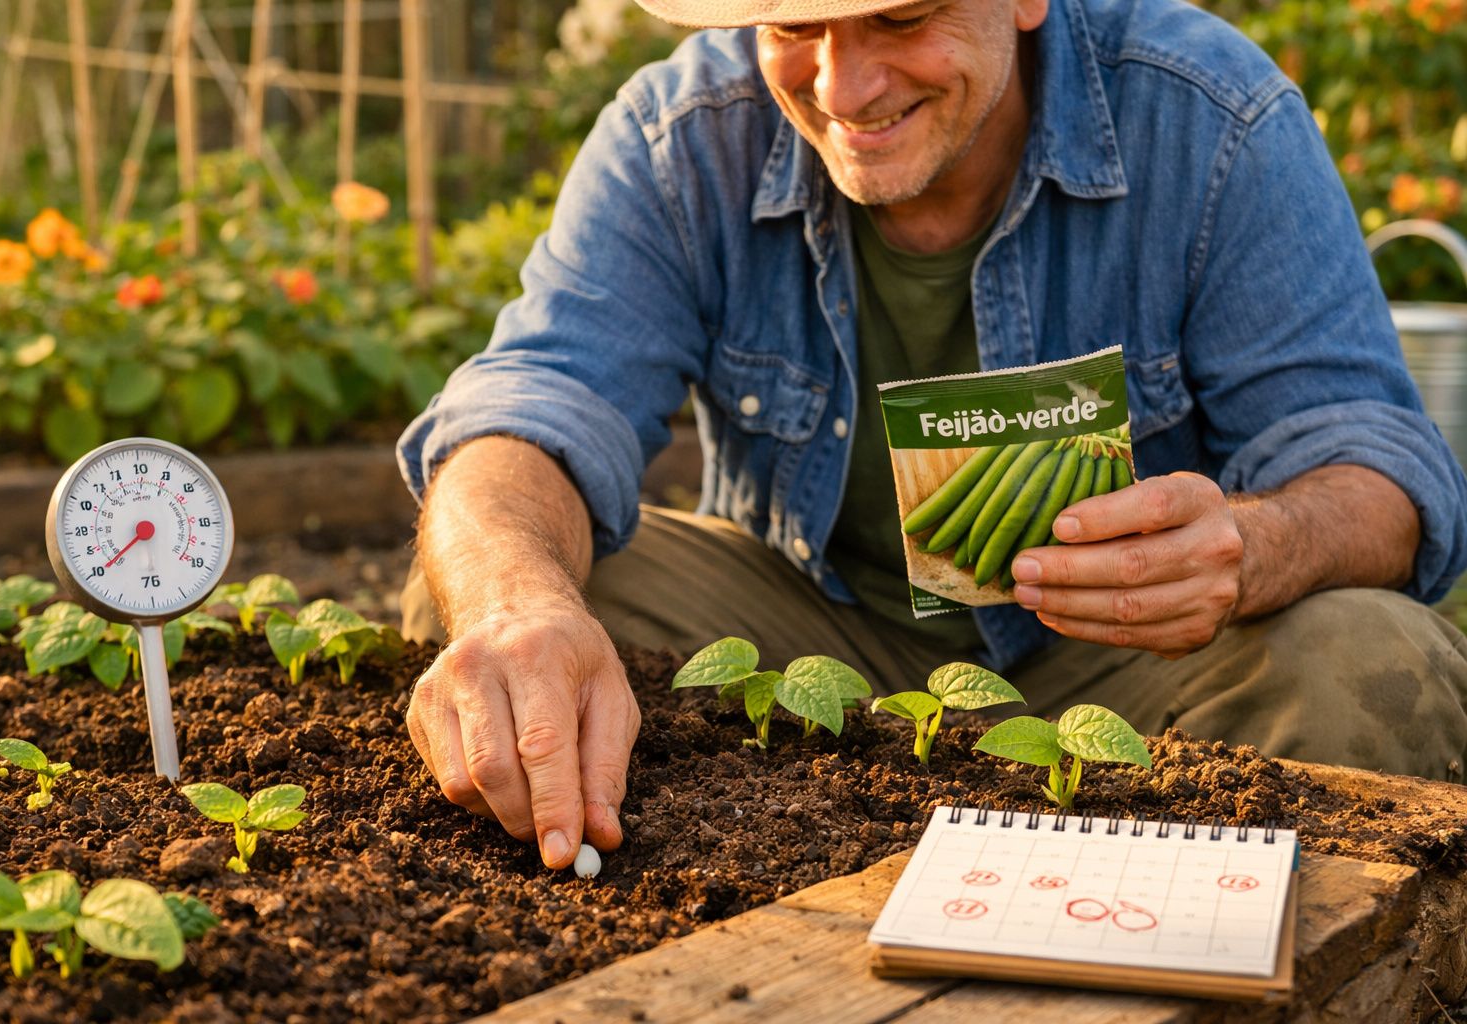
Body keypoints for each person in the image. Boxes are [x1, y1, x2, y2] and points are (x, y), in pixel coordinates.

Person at [396, 0, 1467, 870]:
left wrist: (1254, 545)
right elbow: (538, 394)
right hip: (814, 645)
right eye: (793, 29)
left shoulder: (1206, 118)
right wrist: (515, 600)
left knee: (1375, 665)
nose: (841, 87)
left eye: (902, 21)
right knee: (498, 604)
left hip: (1133, 667)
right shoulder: (684, 132)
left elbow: (1375, 459)